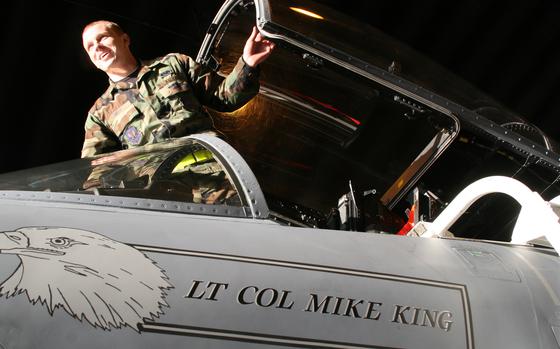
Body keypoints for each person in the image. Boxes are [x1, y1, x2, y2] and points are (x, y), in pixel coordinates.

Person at [81, 20, 275, 157]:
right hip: (166, 195)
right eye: (90, 46)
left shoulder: (174, 64)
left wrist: (247, 64)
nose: (97, 47)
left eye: (103, 38)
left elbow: (223, 97)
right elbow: (97, 171)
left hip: (213, 169)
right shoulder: (100, 114)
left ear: (125, 40)